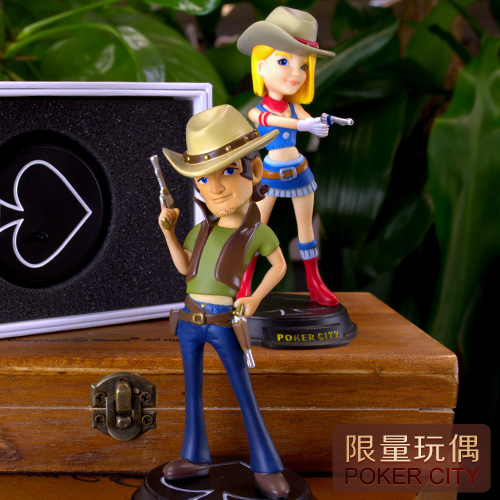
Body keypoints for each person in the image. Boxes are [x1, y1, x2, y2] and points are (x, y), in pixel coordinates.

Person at [159, 104, 290, 500]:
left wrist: (254, 298)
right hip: (189, 319)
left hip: (223, 321)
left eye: (228, 171)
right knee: (192, 393)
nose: (214, 188)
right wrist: (169, 231)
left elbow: (279, 266)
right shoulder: (200, 230)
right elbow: (185, 268)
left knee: (244, 394)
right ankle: (194, 457)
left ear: (255, 171)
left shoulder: (256, 232)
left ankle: (266, 465)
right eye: (203, 178)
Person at [237, 6, 338, 306]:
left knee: (306, 230)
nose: (296, 73)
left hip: (299, 171)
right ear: (260, 66)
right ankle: (243, 285)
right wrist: (302, 125)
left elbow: (306, 119)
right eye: (284, 61)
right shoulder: (258, 111)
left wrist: (318, 126)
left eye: (303, 66)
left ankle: (314, 282)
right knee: (255, 229)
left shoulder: (296, 108)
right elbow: (270, 120)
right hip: (269, 174)